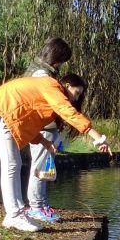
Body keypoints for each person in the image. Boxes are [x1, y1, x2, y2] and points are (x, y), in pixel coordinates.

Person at [0, 73, 111, 232]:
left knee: (15, 163)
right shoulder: (51, 86)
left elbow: (26, 122)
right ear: (67, 85)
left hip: (1, 112)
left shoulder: (46, 91)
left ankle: (16, 214)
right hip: (0, 111)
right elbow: (68, 112)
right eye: (76, 93)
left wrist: (45, 142)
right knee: (12, 164)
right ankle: (14, 215)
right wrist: (97, 137)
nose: (76, 99)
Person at [25, 38, 72, 223]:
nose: (61, 64)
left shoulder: (43, 70)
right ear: (56, 56)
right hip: (41, 127)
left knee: (44, 169)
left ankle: (42, 205)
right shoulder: (41, 74)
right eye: (62, 60)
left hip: (46, 127)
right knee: (38, 168)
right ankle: (36, 207)